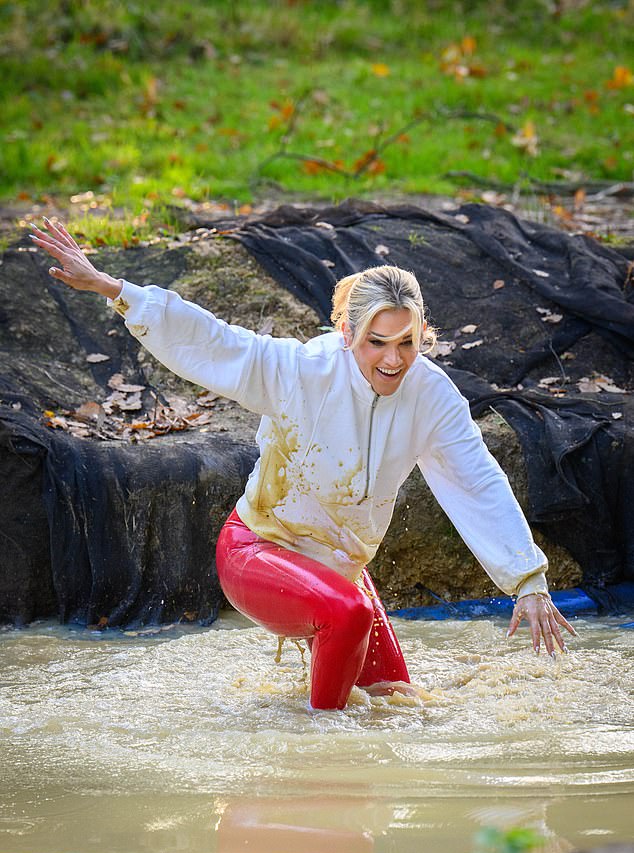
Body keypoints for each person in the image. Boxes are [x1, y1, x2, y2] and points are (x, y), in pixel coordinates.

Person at [30, 218, 577, 710]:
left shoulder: (431, 395)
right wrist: (115, 290)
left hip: (340, 571)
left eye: (407, 342)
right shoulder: (299, 369)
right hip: (258, 549)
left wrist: (526, 578)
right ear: (348, 336)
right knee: (348, 616)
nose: (393, 359)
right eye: (376, 342)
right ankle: (314, 756)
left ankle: (337, 782)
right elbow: (217, 342)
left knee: (395, 702)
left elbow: (475, 478)